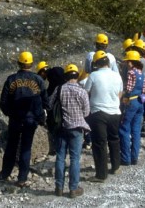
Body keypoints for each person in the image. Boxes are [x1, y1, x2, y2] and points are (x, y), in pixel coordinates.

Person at [0, 51, 47, 186]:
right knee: (26, 147)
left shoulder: (11, 79)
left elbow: (3, 103)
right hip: (30, 120)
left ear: (19, 63)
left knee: (11, 146)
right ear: (31, 64)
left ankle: (5, 173)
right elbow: (45, 101)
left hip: (15, 119)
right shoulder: (38, 80)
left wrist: (10, 113)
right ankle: (22, 178)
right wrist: (40, 117)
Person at [50, 64, 89, 198]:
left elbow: (50, 104)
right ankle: (73, 189)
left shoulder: (59, 89)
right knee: (74, 159)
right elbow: (87, 111)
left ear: (66, 76)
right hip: (77, 128)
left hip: (62, 127)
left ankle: (59, 188)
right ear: (77, 76)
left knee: (60, 157)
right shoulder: (82, 91)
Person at [83, 51, 123, 182]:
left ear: (96, 63)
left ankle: (101, 174)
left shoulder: (93, 75)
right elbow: (120, 94)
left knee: (99, 143)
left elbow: (86, 93)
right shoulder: (117, 76)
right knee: (114, 139)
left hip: (98, 112)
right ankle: (116, 166)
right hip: (115, 112)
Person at [118, 50, 145, 165]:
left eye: (127, 61)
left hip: (131, 101)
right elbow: (143, 89)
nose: (126, 63)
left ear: (131, 62)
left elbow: (128, 89)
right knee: (136, 130)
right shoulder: (141, 72)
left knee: (124, 129)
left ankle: (125, 158)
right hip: (140, 101)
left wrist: (123, 96)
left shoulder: (131, 73)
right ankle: (135, 157)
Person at [37, 61, 66, 156]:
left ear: (42, 72)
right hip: (64, 98)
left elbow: (51, 91)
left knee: (54, 123)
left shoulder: (51, 76)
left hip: (58, 101)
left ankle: (56, 148)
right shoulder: (56, 71)